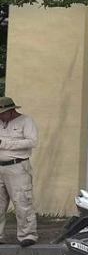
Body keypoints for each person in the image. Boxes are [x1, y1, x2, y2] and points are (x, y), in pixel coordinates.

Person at [0, 95, 38, 246]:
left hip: (18, 166)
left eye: (2, 113)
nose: (1, 116)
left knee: (22, 201)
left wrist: (4, 144)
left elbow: (32, 142)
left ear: (11, 111)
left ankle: (27, 235)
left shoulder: (26, 121)